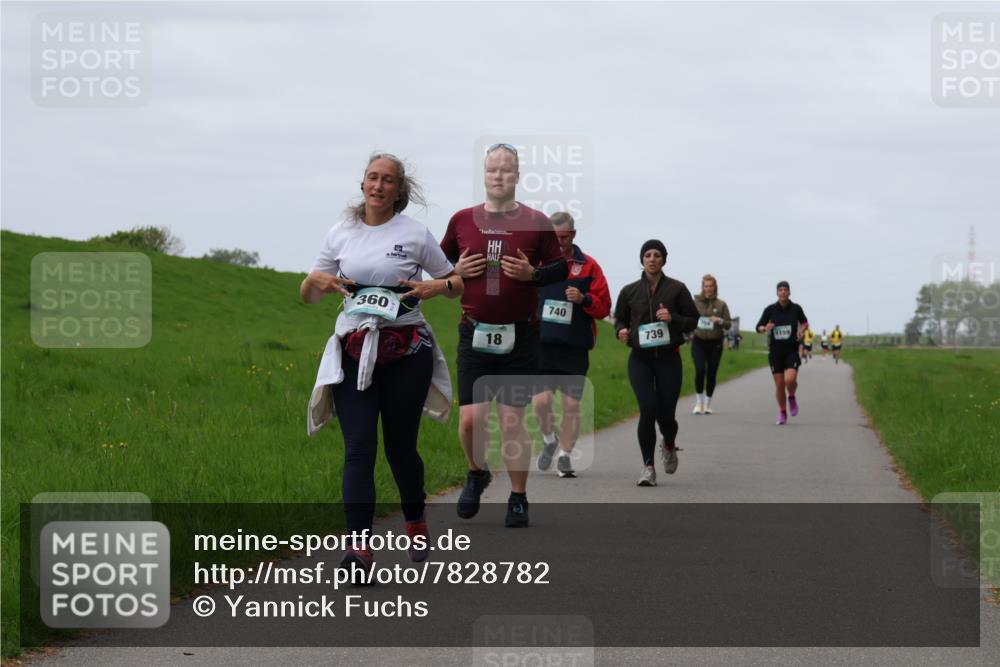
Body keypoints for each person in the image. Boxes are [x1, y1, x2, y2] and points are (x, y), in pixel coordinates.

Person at [303, 153, 463, 575]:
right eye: (372, 177)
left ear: (398, 190)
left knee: (399, 449)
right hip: (354, 350)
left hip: (407, 352)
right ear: (362, 185)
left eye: (387, 180)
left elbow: (455, 284)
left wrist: (437, 285)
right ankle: (359, 551)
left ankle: (414, 517)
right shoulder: (341, 233)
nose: (378, 185)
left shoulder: (414, 233)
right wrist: (312, 282)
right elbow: (310, 294)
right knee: (358, 449)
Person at [441, 143, 568, 526]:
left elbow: (560, 269)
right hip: (474, 333)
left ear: (517, 175)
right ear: (484, 174)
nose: (499, 176)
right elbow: (438, 263)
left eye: (506, 170)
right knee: (470, 421)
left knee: (512, 422)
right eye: (493, 169)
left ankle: (517, 496)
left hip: (520, 337)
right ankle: (476, 471)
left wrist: (534, 276)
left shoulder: (536, 221)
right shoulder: (462, 220)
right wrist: (456, 269)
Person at [532, 212, 611, 478]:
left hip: (574, 347)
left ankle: (565, 457)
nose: (560, 243)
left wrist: (584, 299)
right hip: (541, 345)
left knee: (571, 407)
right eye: (554, 238)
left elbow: (604, 307)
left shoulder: (588, 266)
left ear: (573, 235)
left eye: (564, 238)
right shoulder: (538, 264)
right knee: (540, 403)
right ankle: (549, 440)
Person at [614, 240, 698, 486]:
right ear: (642, 259)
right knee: (648, 408)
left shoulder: (676, 289)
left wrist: (673, 318)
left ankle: (669, 443)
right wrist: (620, 331)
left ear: (664, 260)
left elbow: (693, 319)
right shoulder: (629, 291)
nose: (652, 259)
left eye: (657, 255)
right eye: (648, 255)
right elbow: (619, 319)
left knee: (666, 415)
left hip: (668, 358)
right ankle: (648, 467)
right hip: (640, 359)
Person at [755, 281, 809, 425]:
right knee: (779, 385)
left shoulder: (796, 308)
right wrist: (765, 327)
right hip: (775, 352)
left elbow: (805, 322)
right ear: (777, 293)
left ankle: (791, 396)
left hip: (791, 350)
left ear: (789, 292)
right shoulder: (770, 310)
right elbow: (758, 327)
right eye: (780, 290)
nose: (783, 292)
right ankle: (783, 412)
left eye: (785, 290)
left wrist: (802, 330)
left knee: (789, 380)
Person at [691, 274, 732, 415]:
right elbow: (687, 316)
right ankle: (698, 403)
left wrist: (719, 321)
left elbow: (728, 324)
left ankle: (708, 404)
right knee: (700, 370)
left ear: (715, 287)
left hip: (715, 343)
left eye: (711, 286)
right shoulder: (695, 302)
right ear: (703, 287)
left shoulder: (721, 304)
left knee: (712, 373)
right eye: (706, 286)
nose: (708, 289)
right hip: (698, 341)